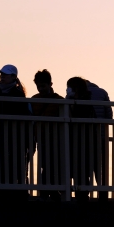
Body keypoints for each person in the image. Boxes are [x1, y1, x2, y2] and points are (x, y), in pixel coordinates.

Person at [0, 64, 31, 201]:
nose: (2, 76)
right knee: (1, 166)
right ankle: (1, 196)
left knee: (17, 167)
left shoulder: (19, 95)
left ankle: (18, 197)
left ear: (14, 77)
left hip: (16, 138)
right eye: (1, 74)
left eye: (5, 74)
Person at [31, 70, 64, 201]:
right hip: (42, 138)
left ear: (50, 84)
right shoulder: (35, 100)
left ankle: (47, 190)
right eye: (38, 86)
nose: (40, 89)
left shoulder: (59, 101)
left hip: (54, 139)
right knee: (47, 164)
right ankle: (50, 190)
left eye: (42, 86)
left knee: (52, 165)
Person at [67, 77, 97, 201]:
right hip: (83, 141)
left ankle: (81, 195)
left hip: (80, 141)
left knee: (80, 169)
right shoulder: (88, 101)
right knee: (80, 170)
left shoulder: (83, 103)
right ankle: (81, 194)